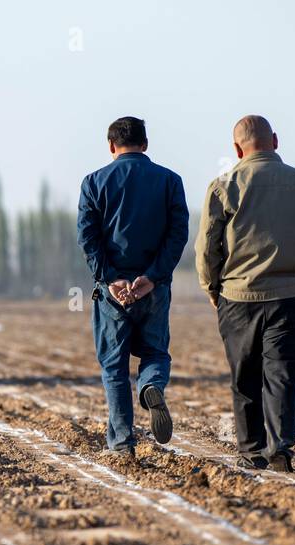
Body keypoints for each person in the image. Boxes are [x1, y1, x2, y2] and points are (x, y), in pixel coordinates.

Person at [196, 115, 295, 473]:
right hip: (292, 297)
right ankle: (280, 450)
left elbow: (207, 247)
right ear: (275, 140)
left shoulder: (223, 186)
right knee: (282, 375)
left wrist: (213, 288)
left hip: (238, 297)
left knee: (244, 377)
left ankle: (251, 450)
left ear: (237, 149)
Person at [77, 116, 188, 456]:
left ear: (111, 147)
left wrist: (110, 278)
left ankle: (123, 442)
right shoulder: (170, 181)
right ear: (146, 144)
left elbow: (88, 236)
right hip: (153, 288)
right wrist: (152, 276)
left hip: (113, 293)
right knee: (154, 352)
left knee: (114, 364)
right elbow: (178, 234)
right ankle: (152, 385)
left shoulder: (94, 182)